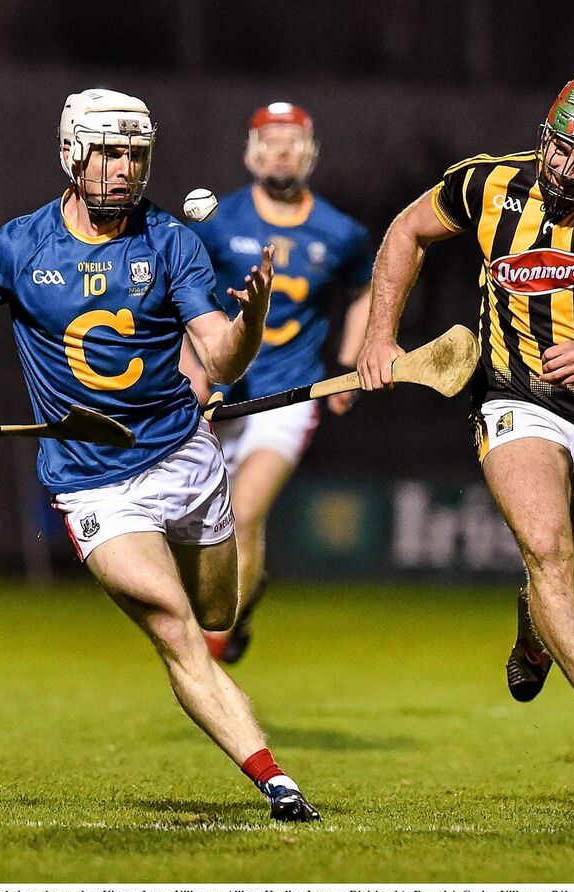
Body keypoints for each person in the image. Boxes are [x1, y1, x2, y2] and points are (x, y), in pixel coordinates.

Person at [0, 89, 320, 822]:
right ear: (73, 155)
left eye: (136, 155)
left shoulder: (171, 242)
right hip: (94, 486)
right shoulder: (18, 247)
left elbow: (216, 353)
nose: (125, 170)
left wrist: (250, 324)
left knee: (219, 610)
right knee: (177, 627)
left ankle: (246, 593)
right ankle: (277, 782)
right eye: (111, 154)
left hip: (184, 458)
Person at [357, 76, 574, 783]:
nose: (568, 169)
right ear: (546, 133)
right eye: (561, 149)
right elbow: (406, 230)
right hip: (514, 398)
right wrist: (378, 337)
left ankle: (534, 633)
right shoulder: (488, 184)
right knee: (547, 550)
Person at [183, 102, 373, 665]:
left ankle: (215, 642)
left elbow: (364, 291)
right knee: (204, 523)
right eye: (270, 141)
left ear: (311, 153)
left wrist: (348, 363)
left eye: (293, 141)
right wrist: (188, 371)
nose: (282, 151)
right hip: (220, 395)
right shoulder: (218, 222)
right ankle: (247, 595)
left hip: (287, 396)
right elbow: (184, 299)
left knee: (244, 514)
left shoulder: (341, 231)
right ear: (251, 153)